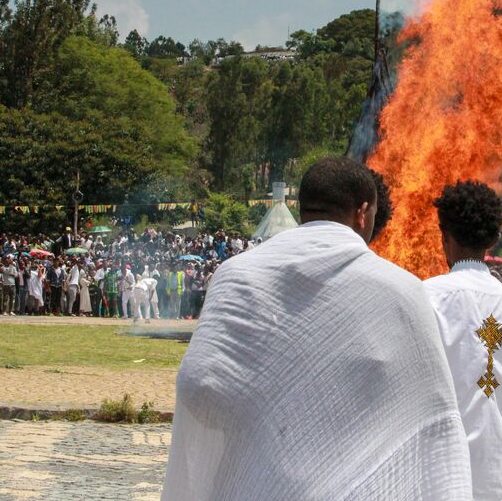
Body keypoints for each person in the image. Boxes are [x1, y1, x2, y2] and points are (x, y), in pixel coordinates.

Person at [162, 157, 473, 500]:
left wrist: (266, 419)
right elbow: (431, 418)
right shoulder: (401, 290)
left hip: (255, 483)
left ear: (303, 208)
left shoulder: (236, 275)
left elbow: (199, 385)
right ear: (363, 212)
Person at [424, 180, 502, 501]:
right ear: (496, 238)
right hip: (500, 484)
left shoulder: (427, 298)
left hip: (440, 482)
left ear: (444, 236)